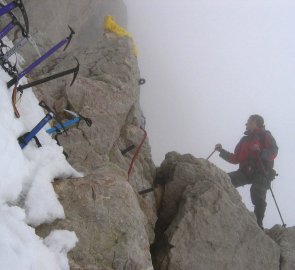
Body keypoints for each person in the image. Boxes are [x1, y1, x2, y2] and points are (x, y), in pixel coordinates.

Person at [215, 114, 278, 229]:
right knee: (225, 180)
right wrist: (221, 151)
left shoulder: (265, 135)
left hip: (262, 171)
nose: (246, 124)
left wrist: (261, 151)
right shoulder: (244, 139)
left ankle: (258, 225)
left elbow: (274, 151)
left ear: (255, 122)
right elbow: (236, 158)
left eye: (248, 121)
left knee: (257, 192)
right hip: (246, 171)